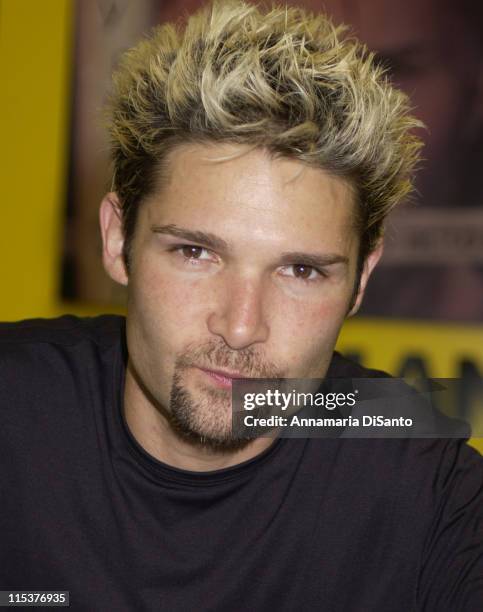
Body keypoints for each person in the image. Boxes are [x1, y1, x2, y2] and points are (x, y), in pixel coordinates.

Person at [1, 1, 482, 610]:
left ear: (362, 280)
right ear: (118, 240)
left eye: (300, 270)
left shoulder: (431, 491)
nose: (240, 325)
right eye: (196, 252)